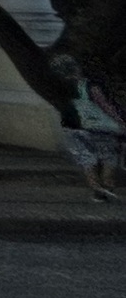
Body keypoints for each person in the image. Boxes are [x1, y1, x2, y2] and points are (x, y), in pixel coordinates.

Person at [50, 53, 121, 204]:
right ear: (76, 67)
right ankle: (107, 185)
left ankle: (97, 191)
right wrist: (120, 120)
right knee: (109, 157)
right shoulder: (87, 85)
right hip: (98, 127)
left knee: (87, 160)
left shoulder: (60, 88)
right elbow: (104, 105)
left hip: (72, 129)